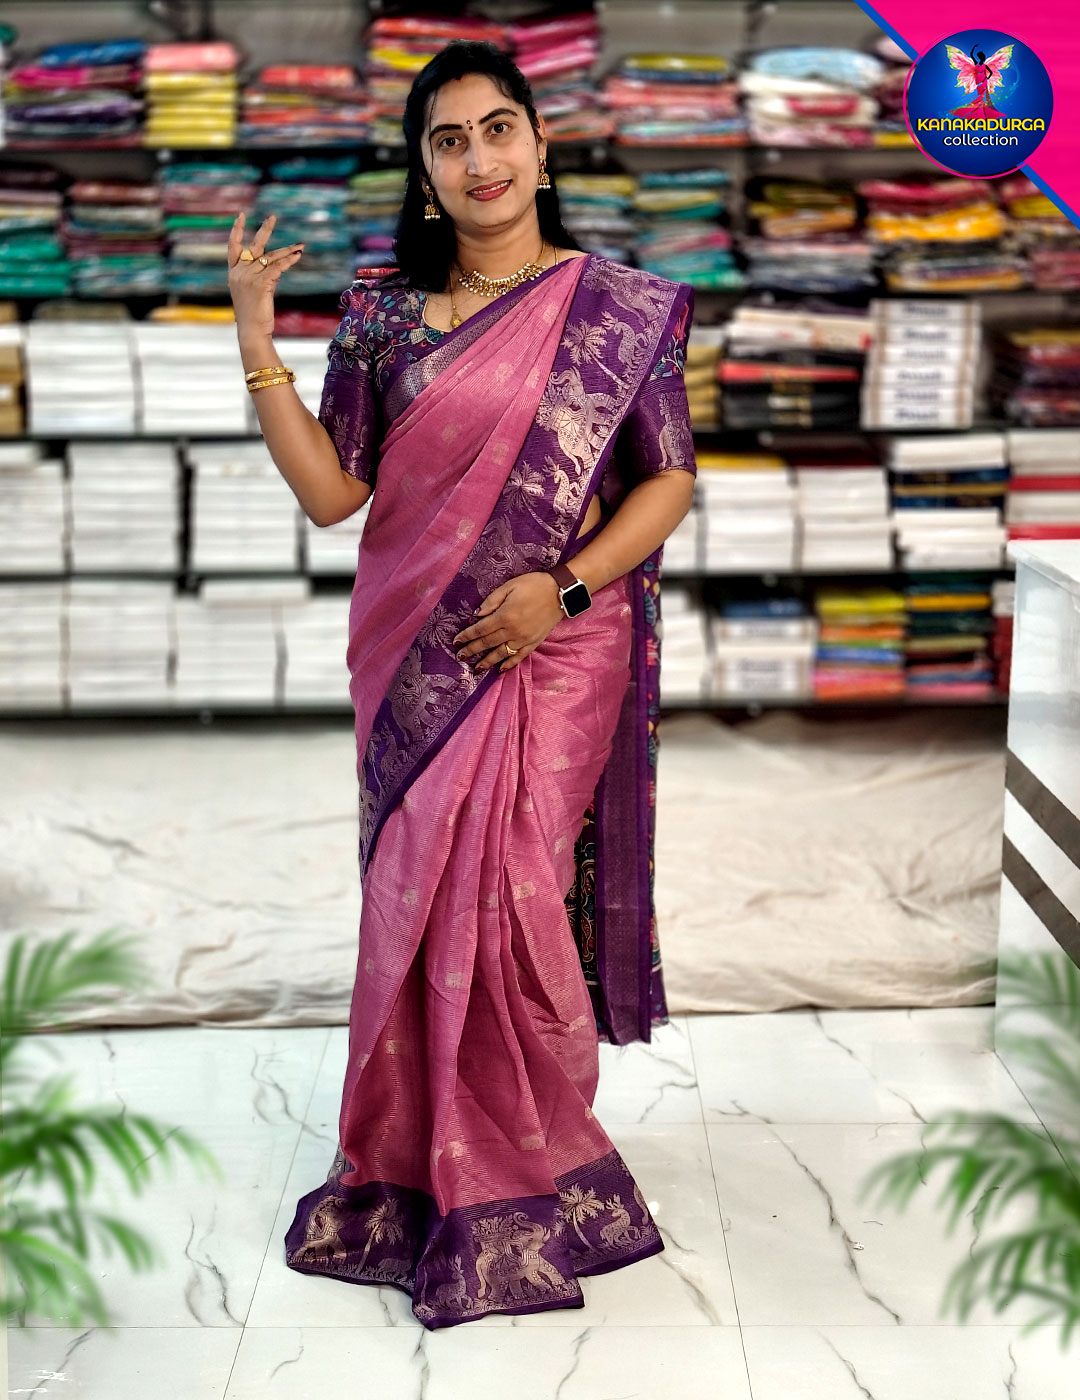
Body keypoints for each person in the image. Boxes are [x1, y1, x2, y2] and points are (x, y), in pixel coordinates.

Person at [226, 39, 697, 1330]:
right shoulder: (381, 313)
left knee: (520, 901)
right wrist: (258, 338)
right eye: (449, 140)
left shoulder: (620, 310)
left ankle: (533, 1166)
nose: (479, 158)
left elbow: (667, 479)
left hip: (559, 647)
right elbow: (334, 494)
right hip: (413, 658)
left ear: (542, 146)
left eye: (499, 129)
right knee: (418, 900)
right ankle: (410, 1170)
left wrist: (567, 591)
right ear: (425, 174)